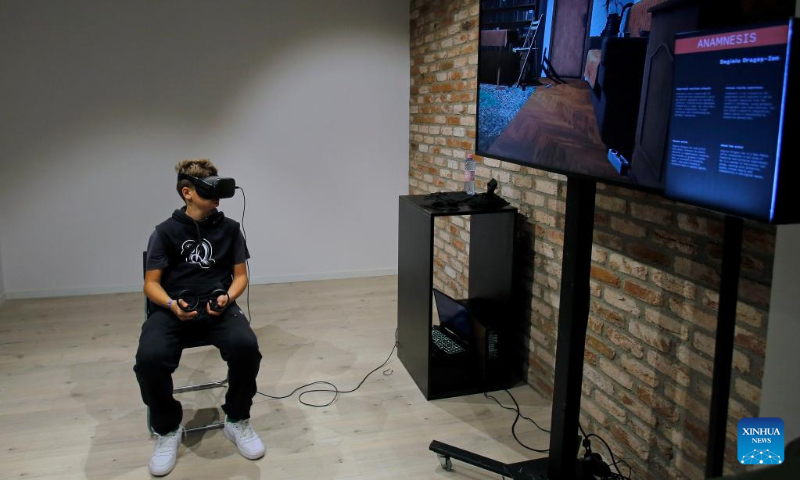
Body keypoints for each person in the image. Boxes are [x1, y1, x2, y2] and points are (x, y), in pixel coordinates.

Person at [134, 159, 264, 476]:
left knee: (246, 347)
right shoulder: (164, 233)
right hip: (172, 308)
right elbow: (150, 284)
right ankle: (167, 429)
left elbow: (240, 277)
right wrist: (172, 304)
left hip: (218, 306)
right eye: (210, 194)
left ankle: (237, 419)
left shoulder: (230, 230)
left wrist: (228, 297)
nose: (217, 201)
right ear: (187, 192)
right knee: (149, 359)